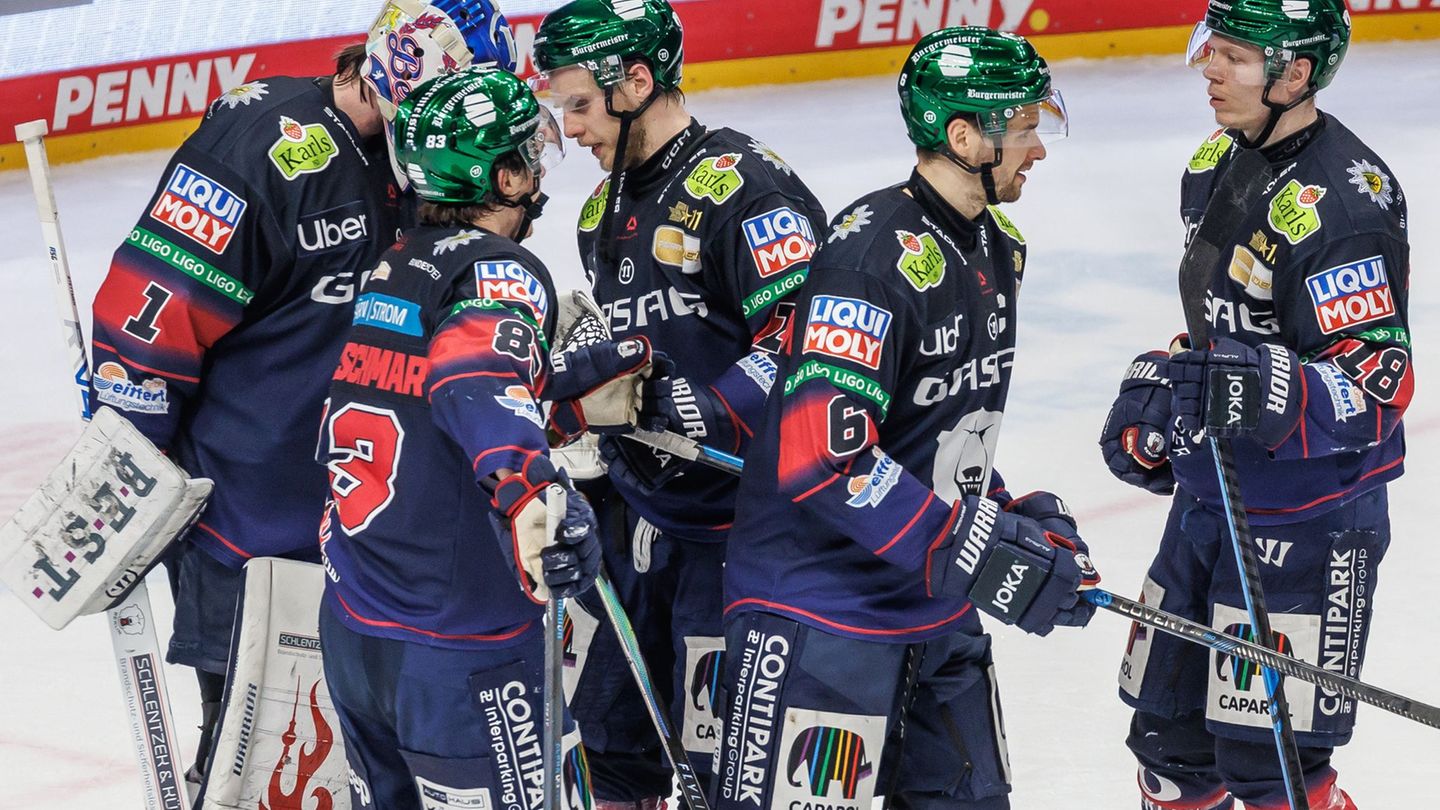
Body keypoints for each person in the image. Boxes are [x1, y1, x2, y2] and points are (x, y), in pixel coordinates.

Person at [86, 0, 515, 785]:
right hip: (252, 533)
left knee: (367, 765)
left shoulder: (434, 162)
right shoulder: (263, 144)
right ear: (394, 81)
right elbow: (148, 315)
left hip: (376, 537)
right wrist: (125, 466)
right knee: (256, 767)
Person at [713, 27, 1096, 810]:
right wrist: (965, 544)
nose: (1039, 150)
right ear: (964, 136)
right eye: (1024, 130)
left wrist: (1002, 512)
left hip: (931, 604)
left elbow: (932, 432)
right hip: (821, 613)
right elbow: (825, 458)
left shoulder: (994, 248)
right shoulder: (868, 260)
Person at [316, 65, 655, 810]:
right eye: (526, 155)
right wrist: (532, 488)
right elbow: (475, 375)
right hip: (462, 652)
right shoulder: (503, 269)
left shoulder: (393, 267)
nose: (538, 166)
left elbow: (432, 402)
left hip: (356, 626)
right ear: (501, 179)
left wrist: (562, 402)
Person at [1099, 2, 1411, 808]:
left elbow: (1378, 387)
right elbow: (1224, 325)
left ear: (1295, 73)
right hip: (1211, 504)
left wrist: (1264, 387)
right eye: (1213, 50)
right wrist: (1164, 384)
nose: (1208, 68)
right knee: (1169, 748)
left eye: (1233, 57)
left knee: (1271, 775)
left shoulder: (1344, 205)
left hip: (1309, 525)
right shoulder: (1217, 160)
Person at [528, 0, 828, 804]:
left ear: (637, 81)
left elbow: (808, 344)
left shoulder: (748, 187)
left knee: (724, 774)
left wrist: (709, 407)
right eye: (562, 109)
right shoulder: (602, 210)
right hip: (635, 529)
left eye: (581, 106)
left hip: (741, 542)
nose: (573, 129)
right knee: (608, 754)